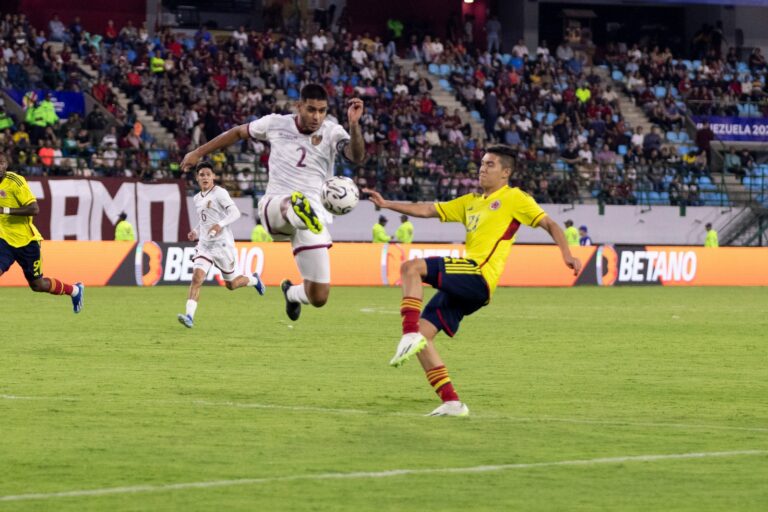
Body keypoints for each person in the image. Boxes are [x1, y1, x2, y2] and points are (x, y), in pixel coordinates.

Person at [363, 145, 582, 416]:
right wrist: (387, 203)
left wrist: (567, 254)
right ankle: (452, 402)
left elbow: (550, 224)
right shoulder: (470, 202)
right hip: (468, 283)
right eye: (482, 163)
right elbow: (428, 209)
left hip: (478, 275)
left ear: (506, 172)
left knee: (411, 268)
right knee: (423, 337)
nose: (482, 169)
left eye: (490, 164)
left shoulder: (514, 197)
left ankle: (407, 333)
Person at [180, 84, 365, 322]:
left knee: (319, 296)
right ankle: (299, 210)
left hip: (313, 217)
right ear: (299, 106)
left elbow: (356, 155)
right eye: (311, 110)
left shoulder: (332, 131)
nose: (317, 117)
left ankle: (292, 293)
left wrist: (354, 125)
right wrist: (198, 152)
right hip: (275, 206)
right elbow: (237, 132)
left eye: (322, 111)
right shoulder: (275, 123)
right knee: (291, 205)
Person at [177, 162, 266, 328]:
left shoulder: (219, 193)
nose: (205, 177)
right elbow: (204, 220)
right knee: (197, 278)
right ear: (197, 178)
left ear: (213, 177)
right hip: (205, 245)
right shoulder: (197, 198)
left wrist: (220, 224)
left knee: (231, 284)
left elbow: (235, 213)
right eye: (201, 175)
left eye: (208, 174)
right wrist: (196, 231)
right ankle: (189, 316)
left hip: (222, 245)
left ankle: (254, 280)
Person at [0, 153, 84, 312]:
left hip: (27, 241)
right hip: (3, 241)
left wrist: (4, 210)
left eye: (2, 163)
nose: (0, 166)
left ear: (6, 165)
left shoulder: (16, 182)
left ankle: (74, 290)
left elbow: (34, 209)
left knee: (38, 285)